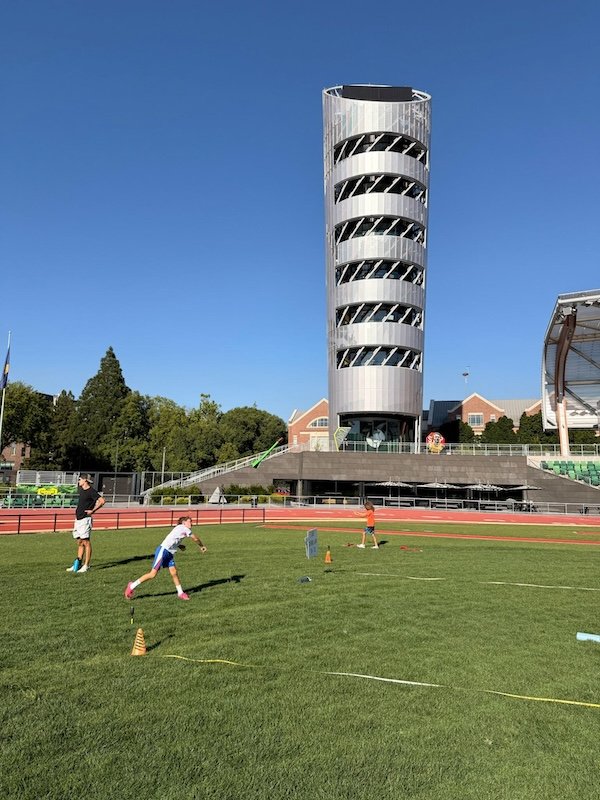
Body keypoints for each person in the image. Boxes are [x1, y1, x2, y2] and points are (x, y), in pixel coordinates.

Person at [124, 515, 207, 601]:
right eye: (190, 521)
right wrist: (201, 546)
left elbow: (173, 538)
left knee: (174, 572)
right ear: (184, 523)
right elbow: (195, 538)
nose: (191, 523)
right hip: (163, 551)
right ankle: (131, 586)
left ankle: (180, 593)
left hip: (169, 553)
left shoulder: (180, 528)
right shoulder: (183, 528)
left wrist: (179, 545)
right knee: (152, 574)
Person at [66, 473, 105, 574]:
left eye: (80, 480)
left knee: (86, 542)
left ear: (85, 481)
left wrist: (93, 511)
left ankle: (86, 565)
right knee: (79, 542)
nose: (79, 481)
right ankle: (77, 564)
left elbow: (102, 501)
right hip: (78, 519)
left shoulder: (91, 491)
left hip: (85, 520)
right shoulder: (82, 490)